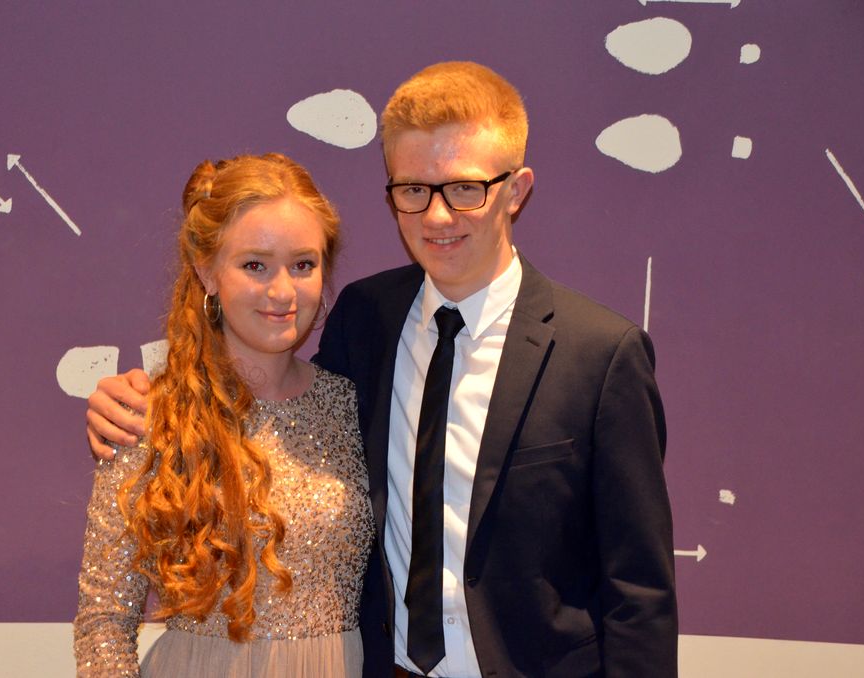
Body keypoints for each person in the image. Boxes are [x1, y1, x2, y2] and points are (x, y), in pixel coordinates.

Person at [87, 62, 677, 677]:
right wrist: (134, 396)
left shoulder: (600, 355)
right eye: (413, 189)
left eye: (465, 188)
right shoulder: (366, 321)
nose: (437, 217)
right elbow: (260, 410)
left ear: (516, 190)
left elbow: (639, 592)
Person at [73, 153, 373, 677]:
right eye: (255, 265)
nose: (283, 291)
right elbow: (104, 620)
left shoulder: (356, 405)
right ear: (206, 271)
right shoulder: (149, 416)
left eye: (303, 265)